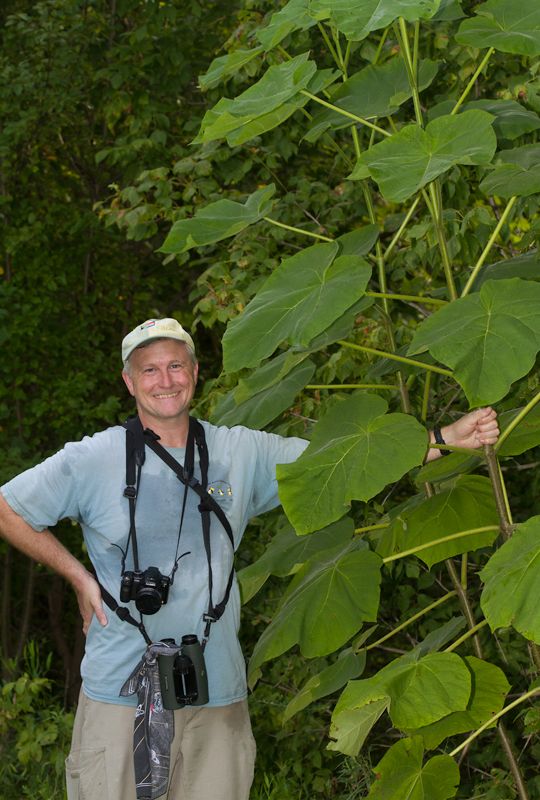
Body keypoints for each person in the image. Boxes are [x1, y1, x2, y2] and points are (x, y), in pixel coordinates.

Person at [0, 318, 499, 800]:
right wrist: (78, 575)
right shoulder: (93, 458)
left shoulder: (240, 451)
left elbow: (342, 462)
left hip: (215, 688)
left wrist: (445, 439)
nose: (165, 380)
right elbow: (8, 508)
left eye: (176, 366)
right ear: (129, 382)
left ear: (195, 374)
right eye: (149, 369)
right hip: (118, 691)